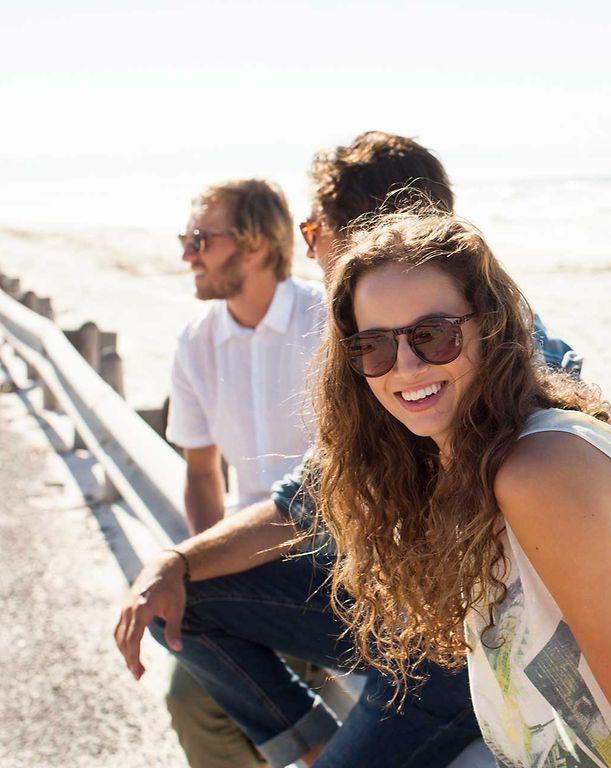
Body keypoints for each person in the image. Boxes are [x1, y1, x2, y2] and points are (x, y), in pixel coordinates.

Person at [115, 132, 577, 768]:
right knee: (180, 601)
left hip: (467, 653)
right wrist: (174, 562)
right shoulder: (375, 348)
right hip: (394, 612)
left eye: (315, 229)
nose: (310, 251)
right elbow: (306, 501)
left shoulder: (499, 355)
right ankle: (311, 744)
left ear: (364, 234)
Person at [310, 211, 611, 767]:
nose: (406, 366)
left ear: (488, 329)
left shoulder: (541, 472)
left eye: (433, 336)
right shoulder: (476, 468)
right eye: (374, 347)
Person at [165, 178, 324, 767]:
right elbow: (202, 474)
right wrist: (206, 572)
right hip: (248, 550)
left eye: (200, 239)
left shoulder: (329, 321)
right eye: (187, 239)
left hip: (337, 554)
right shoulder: (195, 341)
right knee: (189, 698)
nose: (188, 255)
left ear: (256, 245)